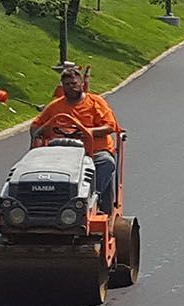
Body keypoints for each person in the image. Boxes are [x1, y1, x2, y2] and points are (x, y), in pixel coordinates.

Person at [30, 62, 121, 213]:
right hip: (61, 153)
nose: (71, 87)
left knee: (106, 162)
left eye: (74, 83)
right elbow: (36, 126)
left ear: (81, 84)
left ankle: (91, 199)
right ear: (63, 87)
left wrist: (89, 132)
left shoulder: (96, 102)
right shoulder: (55, 106)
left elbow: (110, 126)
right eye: (67, 84)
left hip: (93, 152)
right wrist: (37, 137)